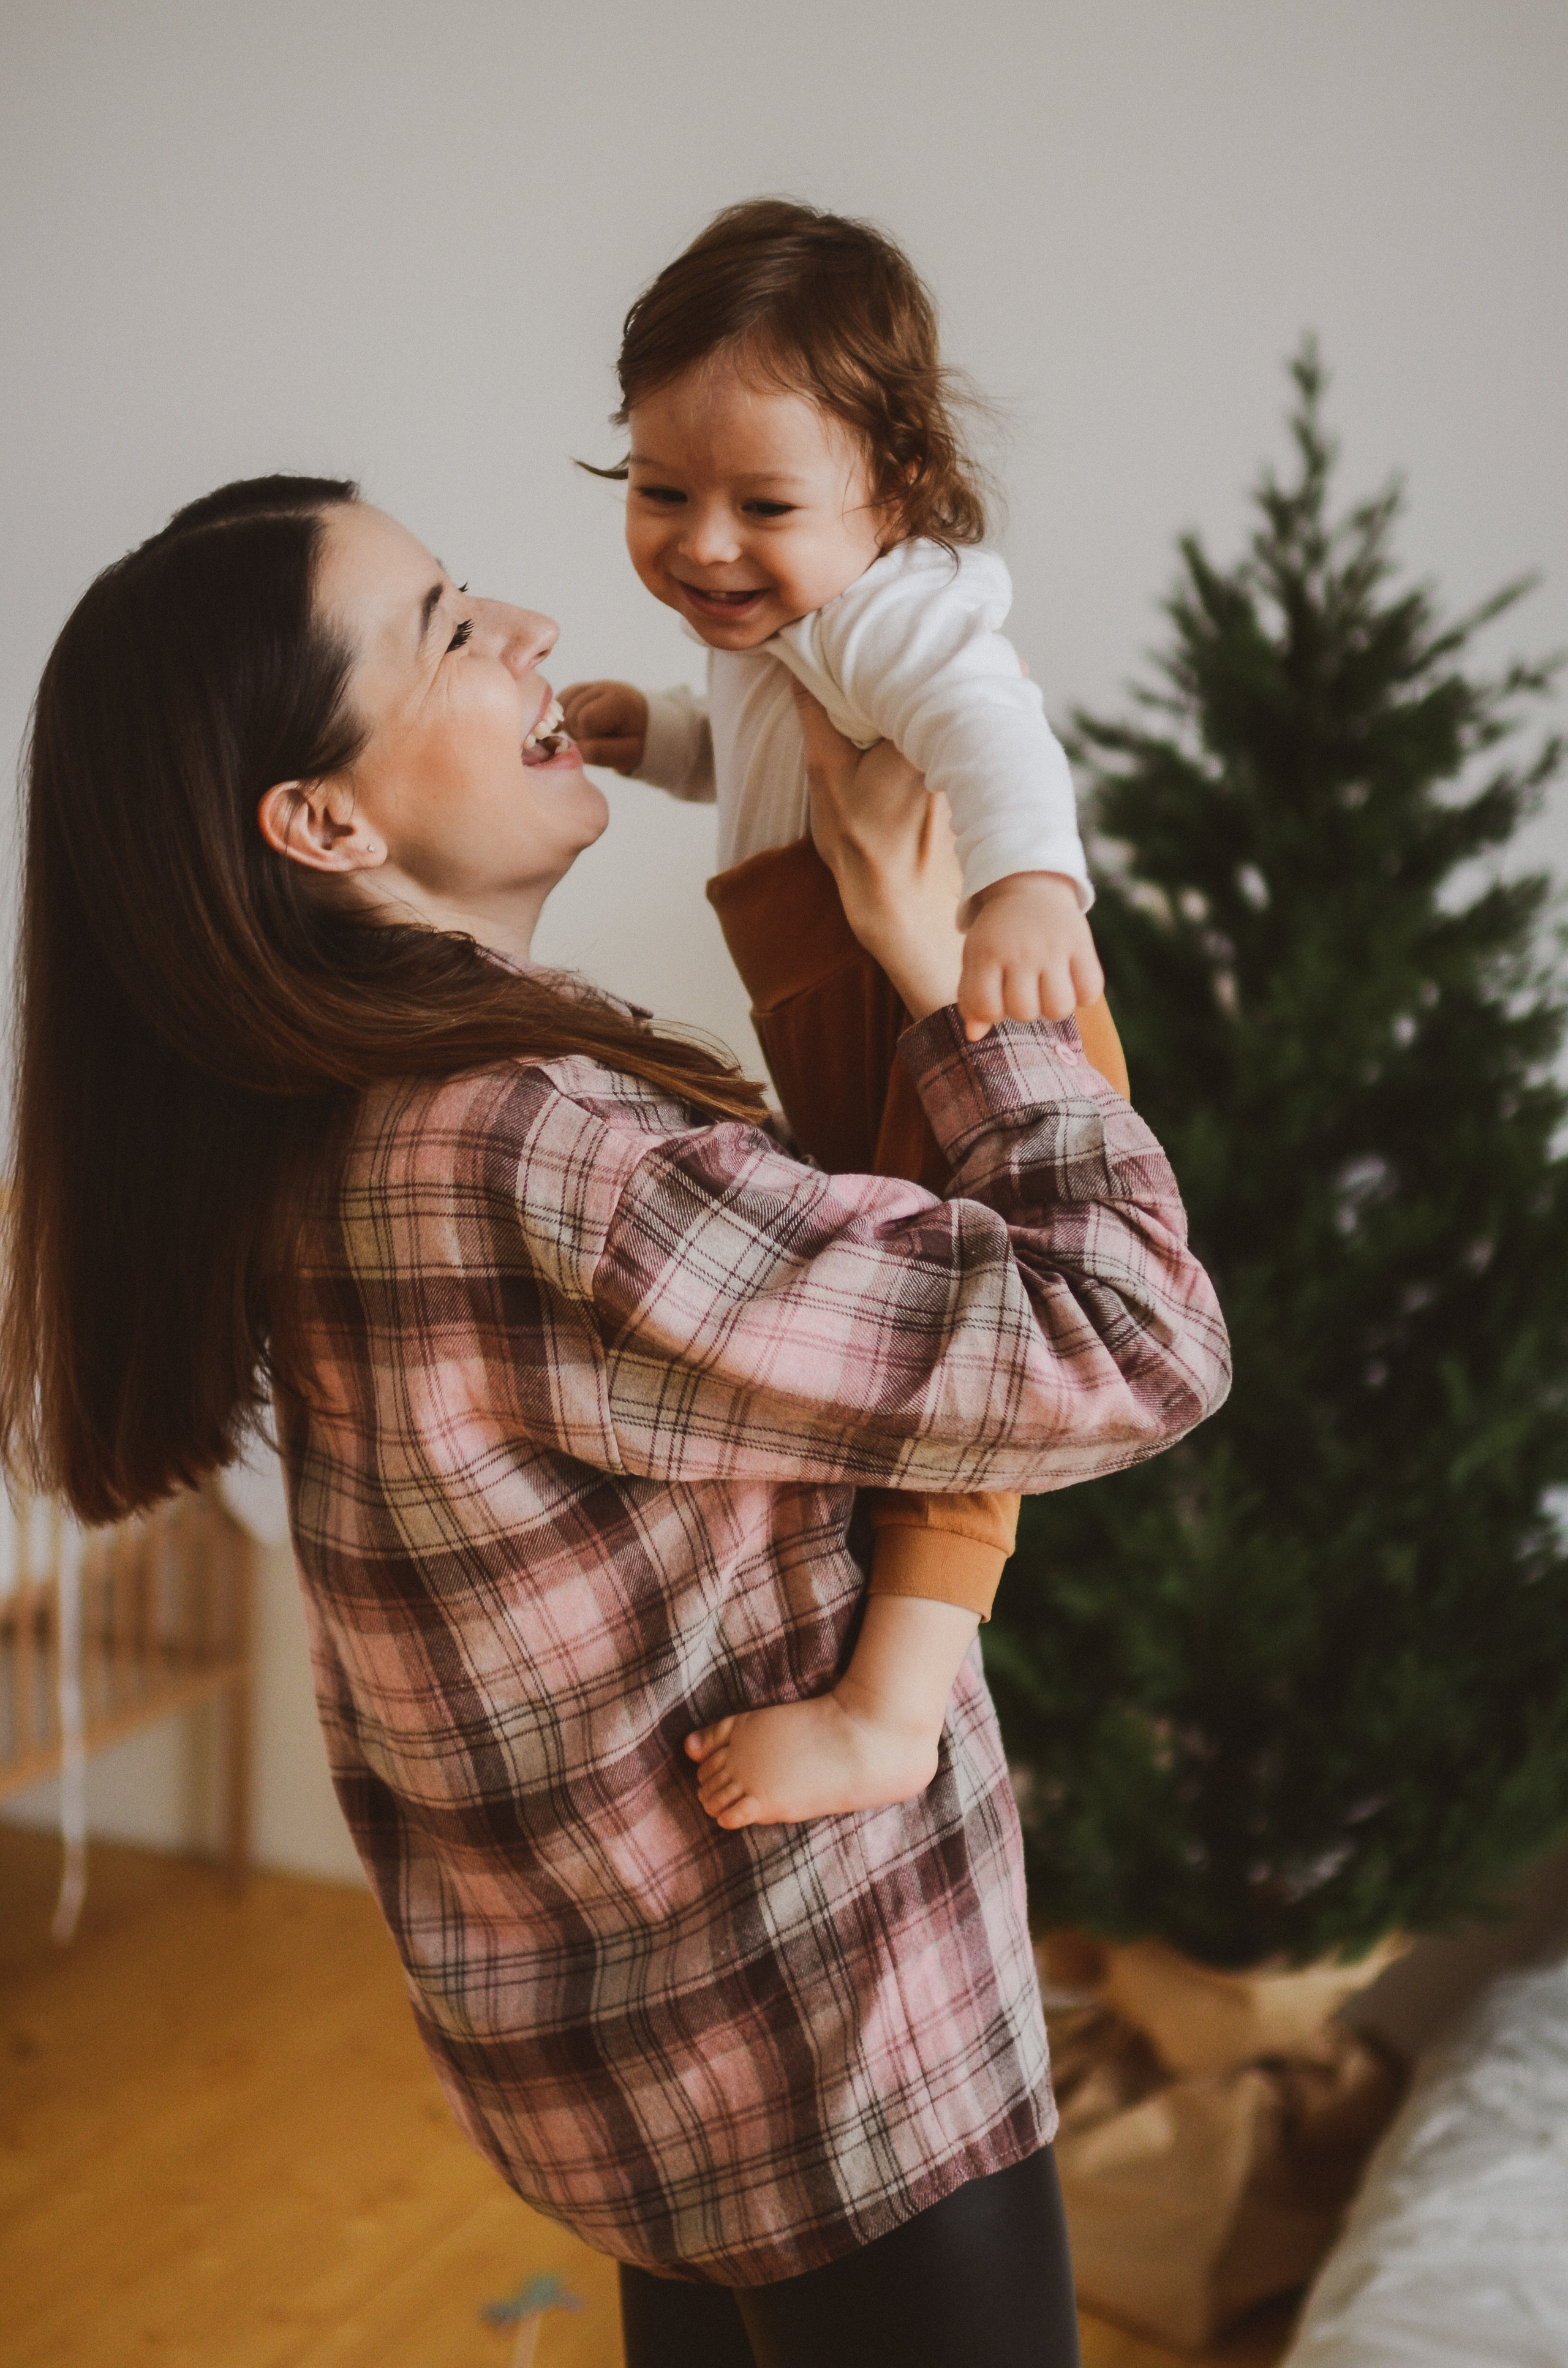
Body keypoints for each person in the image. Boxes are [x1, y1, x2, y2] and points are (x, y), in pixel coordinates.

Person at [1, 474, 1230, 2368]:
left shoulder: (322, 1136)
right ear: (320, 820)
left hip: (640, 2083)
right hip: (840, 2067)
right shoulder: (527, 1154)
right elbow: (1134, 1332)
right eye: (448, 627)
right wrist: (943, 978)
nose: (536, 633)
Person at [562, 199, 1129, 1831]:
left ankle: (893, 1710)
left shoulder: (891, 614)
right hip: (851, 1009)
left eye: (762, 503)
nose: (705, 542)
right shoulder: (782, 621)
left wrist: (1031, 887)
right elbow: (747, 753)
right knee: (913, 1341)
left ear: (888, 491)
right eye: (662, 492)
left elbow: (986, 727)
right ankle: (879, 1685)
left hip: (964, 1003)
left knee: (974, 1359)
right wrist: (650, 730)